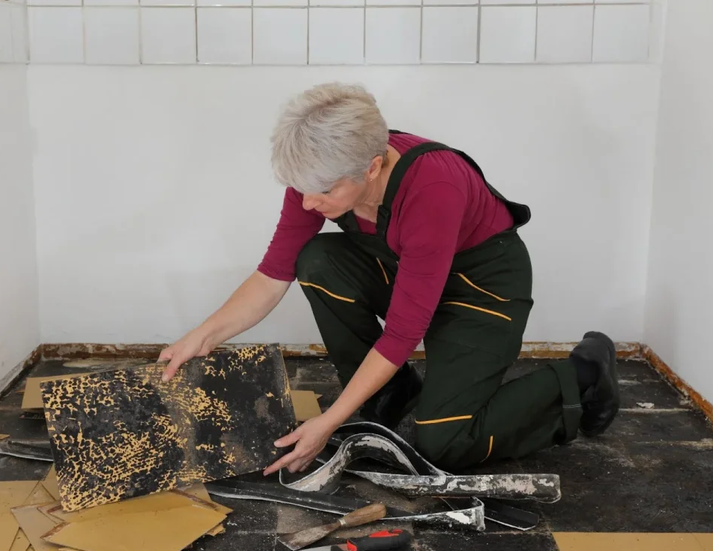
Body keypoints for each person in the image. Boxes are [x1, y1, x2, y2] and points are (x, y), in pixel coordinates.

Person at [158, 82, 620, 477]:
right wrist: (200, 336)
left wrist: (328, 424)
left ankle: (580, 378)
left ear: (372, 168)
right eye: (301, 189)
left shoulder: (433, 187)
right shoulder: (318, 176)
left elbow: (402, 332)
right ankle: (392, 394)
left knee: (443, 443)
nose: (307, 204)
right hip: (410, 270)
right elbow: (271, 276)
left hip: (480, 287)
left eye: (323, 192)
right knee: (316, 259)